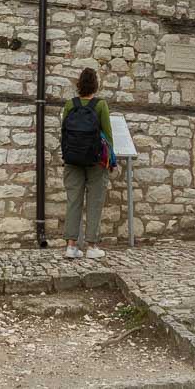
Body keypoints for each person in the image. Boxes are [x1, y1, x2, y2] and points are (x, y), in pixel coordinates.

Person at [60, 67, 113, 259]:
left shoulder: (69, 104)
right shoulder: (100, 105)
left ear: (79, 84)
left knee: (73, 201)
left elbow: (64, 132)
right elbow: (107, 135)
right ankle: (92, 246)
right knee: (95, 201)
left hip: (72, 159)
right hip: (96, 161)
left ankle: (71, 246)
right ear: (96, 85)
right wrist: (110, 161)